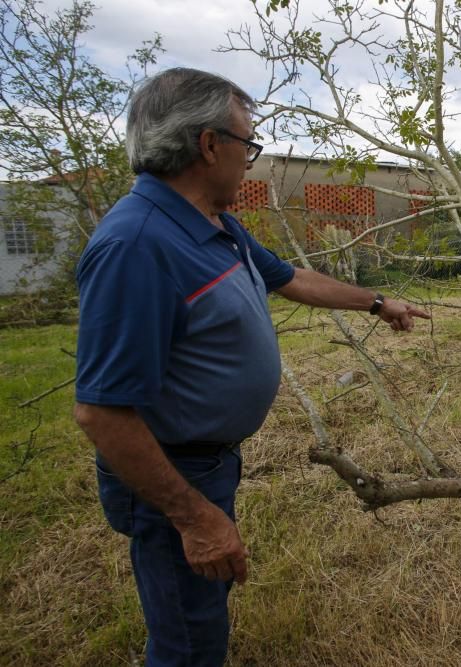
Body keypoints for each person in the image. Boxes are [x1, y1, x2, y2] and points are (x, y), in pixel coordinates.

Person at [73, 67, 430, 666]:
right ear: (209, 144)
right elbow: (102, 412)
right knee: (188, 639)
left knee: (197, 619)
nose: (251, 161)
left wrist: (375, 302)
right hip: (174, 473)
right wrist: (194, 517)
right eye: (248, 145)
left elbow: (290, 278)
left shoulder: (214, 223)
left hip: (209, 461)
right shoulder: (138, 246)